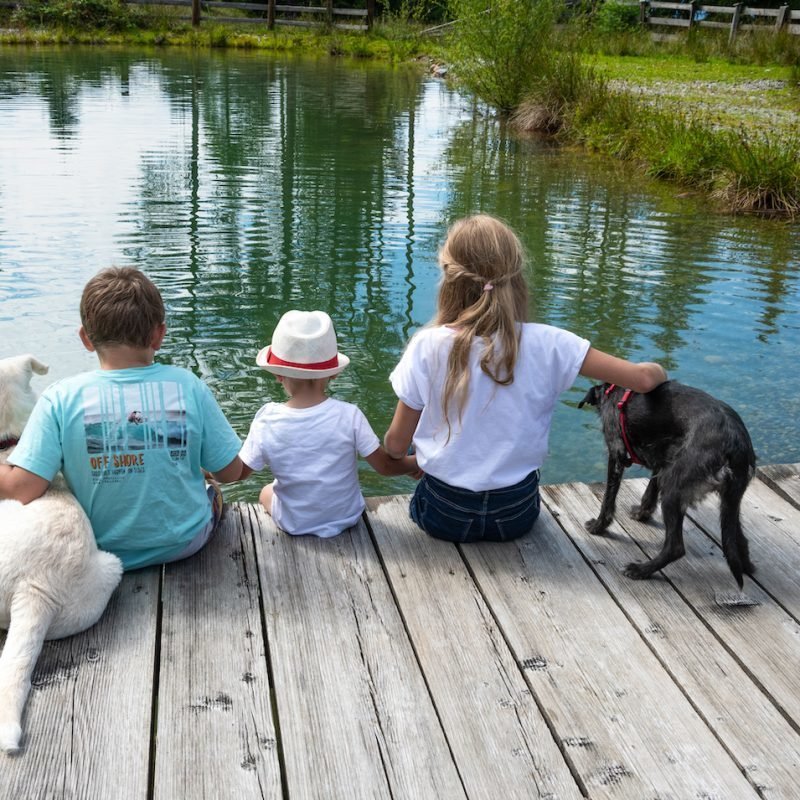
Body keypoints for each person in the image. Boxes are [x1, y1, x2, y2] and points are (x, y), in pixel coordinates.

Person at [383, 214, 668, 544]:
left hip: (443, 512)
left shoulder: (427, 345)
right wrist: (657, 370)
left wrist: (414, 462)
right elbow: (645, 380)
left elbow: (394, 443)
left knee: (426, 500)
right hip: (515, 513)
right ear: (516, 279)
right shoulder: (551, 343)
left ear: (449, 279)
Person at [0, 267, 243, 570]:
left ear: (85, 338)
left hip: (99, 550)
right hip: (183, 544)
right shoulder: (188, 385)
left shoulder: (60, 398)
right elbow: (231, 472)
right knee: (213, 491)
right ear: (159, 334)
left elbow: (23, 488)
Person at [239, 309, 419, 538]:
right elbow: (385, 467)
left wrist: (205, 470)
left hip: (295, 523)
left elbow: (240, 471)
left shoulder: (267, 420)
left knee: (266, 491)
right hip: (347, 517)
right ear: (333, 374)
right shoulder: (349, 415)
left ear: (278, 374)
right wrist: (418, 462)